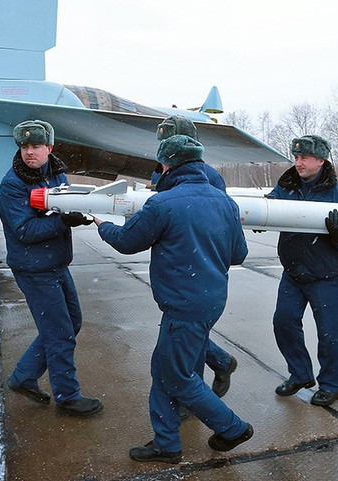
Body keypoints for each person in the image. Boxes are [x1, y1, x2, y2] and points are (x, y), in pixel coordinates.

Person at [92, 134, 253, 463]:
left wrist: (102, 224)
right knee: (165, 369)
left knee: (176, 375)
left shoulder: (163, 203)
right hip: (210, 301)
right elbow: (239, 253)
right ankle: (167, 444)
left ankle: (232, 428)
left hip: (183, 304)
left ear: (167, 164)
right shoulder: (225, 201)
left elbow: (127, 241)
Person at [0, 120, 103, 417]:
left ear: (49, 148)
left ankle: (24, 377)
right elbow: (25, 230)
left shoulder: (56, 173)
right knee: (59, 333)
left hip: (55, 262)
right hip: (34, 269)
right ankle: (68, 396)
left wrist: (77, 214)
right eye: (24, 146)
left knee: (72, 323)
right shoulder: (13, 184)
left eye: (36, 146)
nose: (29, 152)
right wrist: (62, 221)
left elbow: (63, 204)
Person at [268, 134, 338, 407]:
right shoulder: (285, 187)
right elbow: (271, 210)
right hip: (293, 272)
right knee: (283, 323)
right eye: (296, 157)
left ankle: (331, 385)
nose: (298, 163)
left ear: (320, 160)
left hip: (325, 276)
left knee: (328, 334)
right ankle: (300, 374)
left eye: (304, 158)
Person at [152, 116, 237, 399]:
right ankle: (221, 362)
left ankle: (191, 398)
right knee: (186, 336)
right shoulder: (162, 171)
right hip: (178, 267)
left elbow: (218, 222)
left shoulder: (208, 176)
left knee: (186, 338)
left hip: (196, 269)